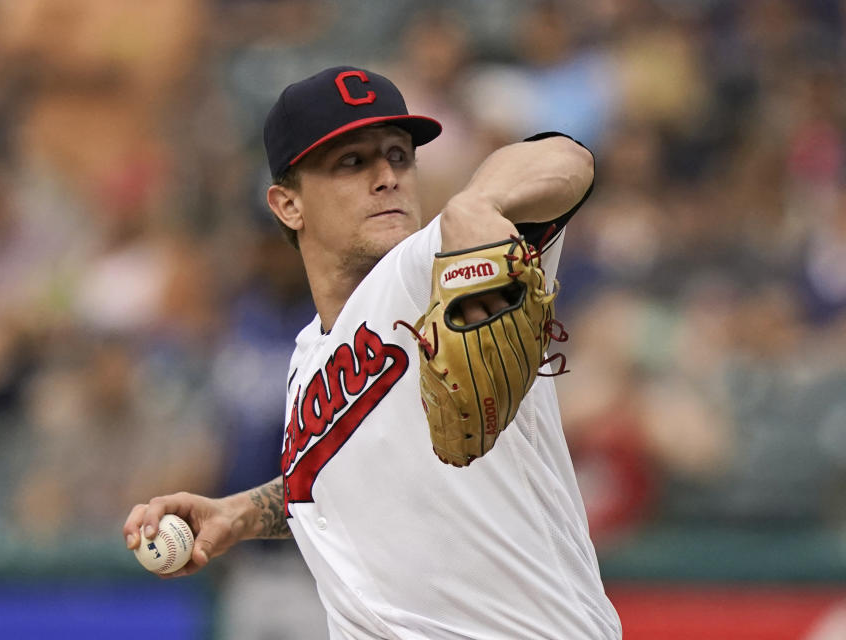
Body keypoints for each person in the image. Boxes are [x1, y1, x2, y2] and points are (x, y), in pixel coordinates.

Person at [124, 65, 621, 639]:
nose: (388, 176)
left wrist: (476, 202)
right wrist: (237, 514)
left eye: (399, 156)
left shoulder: (438, 264)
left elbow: (567, 158)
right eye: (352, 163)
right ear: (288, 205)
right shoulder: (307, 357)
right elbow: (340, 481)